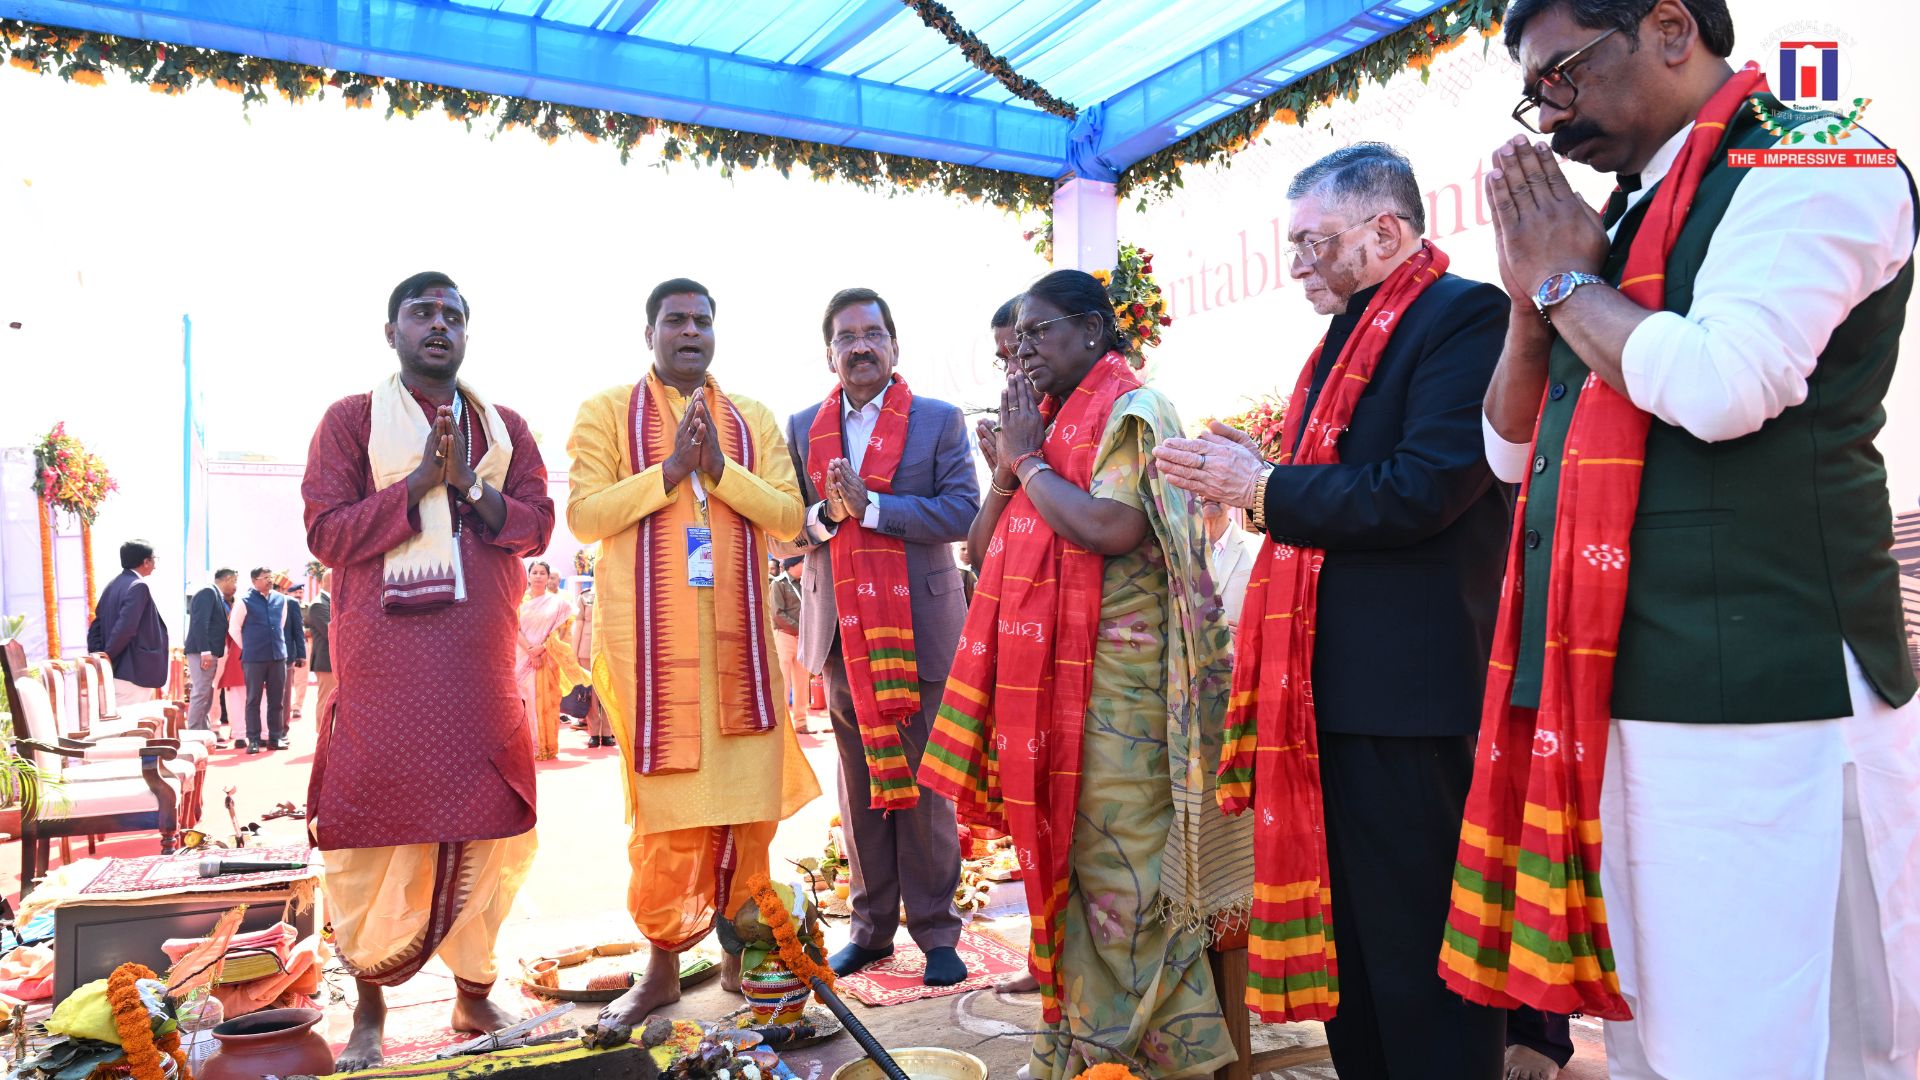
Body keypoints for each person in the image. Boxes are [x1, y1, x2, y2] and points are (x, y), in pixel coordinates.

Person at [1438, 1, 1920, 1076]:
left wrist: (1570, 285)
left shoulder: (1816, 157)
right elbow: (1514, 455)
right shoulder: (1624, 217)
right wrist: (1534, 301)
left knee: (1759, 1036)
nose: (1551, 120)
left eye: (1562, 75)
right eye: (1537, 93)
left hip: (1760, 698)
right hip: (1617, 690)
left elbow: (1722, 384)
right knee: (1657, 1031)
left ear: (1666, 26)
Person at [1155, 142, 1512, 1078]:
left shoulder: (1463, 316)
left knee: (1421, 949)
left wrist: (1264, 486)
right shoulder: (1344, 341)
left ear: (1386, 231)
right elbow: (1339, 482)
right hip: (1328, 696)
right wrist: (1260, 469)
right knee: (1354, 946)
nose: (1298, 263)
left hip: (1410, 695)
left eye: (1315, 242)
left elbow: (1424, 488)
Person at [919, 270, 1249, 1079]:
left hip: (1127, 701)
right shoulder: (1053, 425)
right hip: (1058, 698)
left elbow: (1112, 525)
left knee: (1122, 882)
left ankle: (1143, 1055)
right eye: (1014, 339)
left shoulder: (1137, 411)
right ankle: (1087, 1044)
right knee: (1072, 871)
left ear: (1095, 332)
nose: (1022, 350)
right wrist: (1010, 465)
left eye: (1038, 332)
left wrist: (1028, 461)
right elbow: (979, 546)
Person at [303, 271, 554, 1070]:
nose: (437, 325)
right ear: (393, 333)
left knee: (491, 826)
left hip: (478, 665)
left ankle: (473, 992)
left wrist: (470, 486)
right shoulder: (348, 424)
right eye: (422, 313)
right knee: (369, 833)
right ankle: (371, 1009)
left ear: (466, 335)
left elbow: (539, 524)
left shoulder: (504, 431)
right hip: (384, 669)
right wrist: (415, 485)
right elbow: (326, 533)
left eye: (452, 315)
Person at [566, 277, 817, 1039]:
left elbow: (786, 519)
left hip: (738, 654)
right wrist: (670, 470)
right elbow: (583, 515)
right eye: (675, 320)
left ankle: (742, 954)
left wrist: (717, 471)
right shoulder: (606, 413)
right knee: (666, 822)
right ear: (650, 333)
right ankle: (663, 968)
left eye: (702, 321)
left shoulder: (754, 419)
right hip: (654, 659)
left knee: (747, 816)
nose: (690, 332)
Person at [785, 287, 980, 987]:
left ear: (894, 345)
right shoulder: (804, 425)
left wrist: (876, 508)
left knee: (926, 787)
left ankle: (936, 933)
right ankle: (870, 930)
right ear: (829, 352)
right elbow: (785, 530)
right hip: (840, 635)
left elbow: (962, 511)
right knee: (860, 787)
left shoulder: (936, 421)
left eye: (872, 333)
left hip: (918, 632)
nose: (859, 346)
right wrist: (830, 517)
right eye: (845, 336)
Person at [516, 560, 585, 761]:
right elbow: (513, 627)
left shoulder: (559, 604)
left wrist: (542, 650)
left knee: (546, 702)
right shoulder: (517, 601)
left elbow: (563, 633)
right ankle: (526, 746)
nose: (538, 576)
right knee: (523, 702)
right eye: (534, 572)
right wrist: (530, 651)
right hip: (521, 657)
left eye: (542, 573)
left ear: (548, 578)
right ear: (528, 576)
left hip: (548, 658)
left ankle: (544, 746)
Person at [87, 539, 169, 703]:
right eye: (154, 559)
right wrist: (107, 657)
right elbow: (125, 629)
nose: (155, 565)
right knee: (132, 724)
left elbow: (96, 626)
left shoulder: (112, 584)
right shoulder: (138, 586)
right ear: (145, 562)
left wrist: (100, 656)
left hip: (116, 671)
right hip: (132, 672)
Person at [227, 567, 289, 753]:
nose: (270, 580)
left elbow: (280, 624)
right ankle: (253, 739)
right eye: (265, 578)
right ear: (254, 581)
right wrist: (249, 647)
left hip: (277, 655)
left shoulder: (281, 599)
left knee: (277, 699)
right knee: (253, 699)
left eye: (271, 577)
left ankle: (275, 737)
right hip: (254, 658)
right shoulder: (244, 601)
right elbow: (234, 629)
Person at [183, 568, 238, 738]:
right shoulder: (208, 592)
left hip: (209, 651)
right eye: (235, 581)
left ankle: (202, 731)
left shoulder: (215, 594)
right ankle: (193, 734)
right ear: (228, 579)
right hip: (203, 651)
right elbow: (200, 623)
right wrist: (205, 651)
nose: (235, 586)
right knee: (201, 692)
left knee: (207, 691)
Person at [1198, 499, 1256, 633]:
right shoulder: (1183, 555)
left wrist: (1246, 636)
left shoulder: (1257, 548)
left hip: (1242, 651)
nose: (1207, 494)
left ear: (1230, 500)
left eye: (1214, 486)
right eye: (1200, 489)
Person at [767, 556, 809, 732]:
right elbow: (777, 613)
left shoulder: (804, 584)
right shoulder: (778, 583)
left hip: (802, 638)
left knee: (802, 682)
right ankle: (782, 724)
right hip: (784, 636)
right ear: (794, 564)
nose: (806, 566)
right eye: (803, 563)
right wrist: (801, 629)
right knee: (783, 681)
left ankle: (801, 723)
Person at [307, 570, 334, 717]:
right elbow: (330, 631)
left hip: (333, 662)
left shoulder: (329, 602)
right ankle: (323, 737)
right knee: (326, 701)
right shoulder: (319, 604)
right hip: (326, 662)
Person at [280, 579, 308, 722]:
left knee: (300, 680)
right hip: (277, 652)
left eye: (300, 592)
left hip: (295, 648)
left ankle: (297, 706)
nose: (298, 594)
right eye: (295, 592)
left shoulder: (300, 605)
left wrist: (301, 654)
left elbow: (299, 631)